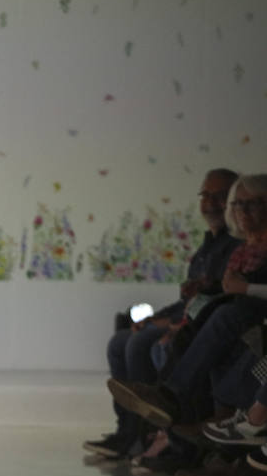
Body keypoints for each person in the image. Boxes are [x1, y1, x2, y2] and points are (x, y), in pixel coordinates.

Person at [86, 169, 239, 459]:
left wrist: (169, 322)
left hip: (201, 323)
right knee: (120, 341)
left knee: (140, 343)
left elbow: (218, 298)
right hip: (187, 316)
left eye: (219, 196)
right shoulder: (208, 247)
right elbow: (187, 298)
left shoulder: (238, 246)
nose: (210, 203)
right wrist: (156, 317)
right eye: (205, 195)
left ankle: (154, 437)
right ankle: (127, 433)